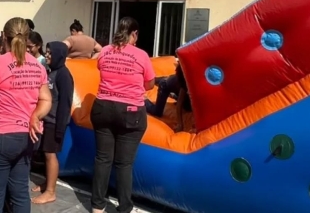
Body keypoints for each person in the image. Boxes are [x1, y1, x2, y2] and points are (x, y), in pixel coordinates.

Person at [0, 17, 52, 213]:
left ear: (4, 37)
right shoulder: (37, 66)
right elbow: (46, 99)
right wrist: (35, 116)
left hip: (1, 135)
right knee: (20, 192)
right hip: (28, 135)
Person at [90, 17, 156, 213]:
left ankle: (97, 206)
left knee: (103, 159)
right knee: (124, 163)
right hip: (130, 111)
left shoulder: (105, 51)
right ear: (134, 34)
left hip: (103, 107)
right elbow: (150, 83)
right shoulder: (141, 55)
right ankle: (124, 207)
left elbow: (101, 69)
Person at [32, 41, 74, 205]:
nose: (47, 55)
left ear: (59, 55)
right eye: (47, 52)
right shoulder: (51, 71)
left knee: (50, 155)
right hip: (47, 119)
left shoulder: (64, 75)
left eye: (50, 53)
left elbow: (65, 103)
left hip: (55, 121)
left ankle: (51, 192)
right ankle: (47, 183)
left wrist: (60, 128)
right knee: (45, 153)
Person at [145, 62, 192, 132]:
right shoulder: (185, 84)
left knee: (188, 107)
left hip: (172, 81)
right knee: (157, 112)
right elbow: (179, 104)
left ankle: (173, 94)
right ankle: (144, 101)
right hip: (164, 85)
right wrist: (180, 124)